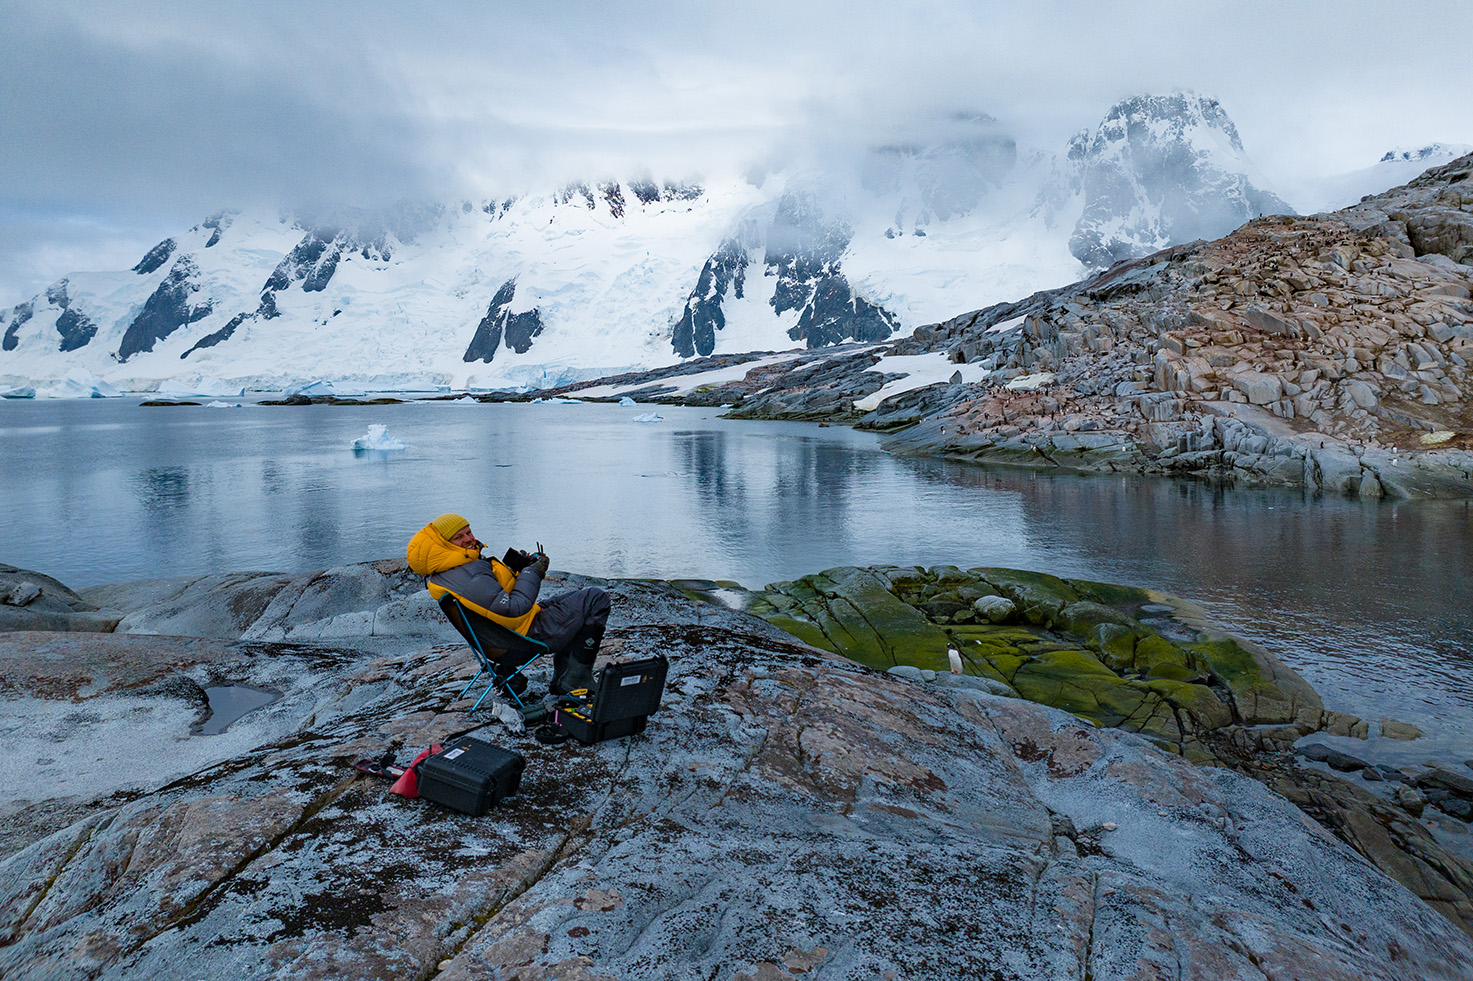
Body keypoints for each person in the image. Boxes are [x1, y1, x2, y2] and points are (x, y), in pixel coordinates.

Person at [405, 512, 610, 696]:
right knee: (595, 599)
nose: (469, 539)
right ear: (444, 543)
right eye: (459, 537)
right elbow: (514, 608)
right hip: (523, 639)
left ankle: (562, 677)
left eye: (468, 532)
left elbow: (491, 595)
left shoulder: (452, 569)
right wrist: (533, 572)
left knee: (575, 600)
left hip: (504, 635)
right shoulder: (467, 577)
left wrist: (516, 568)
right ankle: (574, 679)